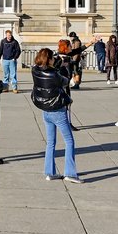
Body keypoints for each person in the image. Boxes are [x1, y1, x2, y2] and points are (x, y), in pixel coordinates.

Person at [30, 47, 81, 183]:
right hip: (58, 111)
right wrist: (72, 76)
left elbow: (43, 66)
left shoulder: (35, 70)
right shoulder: (54, 75)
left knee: (51, 143)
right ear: (49, 59)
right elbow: (68, 82)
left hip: (45, 110)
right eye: (52, 58)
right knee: (69, 141)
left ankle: (49, 172)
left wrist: (57, 61)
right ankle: (70, 173)